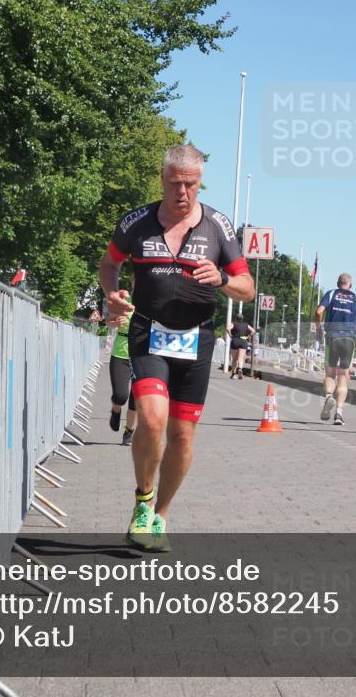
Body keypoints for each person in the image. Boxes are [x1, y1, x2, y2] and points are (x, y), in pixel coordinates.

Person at [99, 144, 254, 551]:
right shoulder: (136, 223)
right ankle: (143, 500)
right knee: (151, 420)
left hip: (197, 338)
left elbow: (248, 288)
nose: (182, 192)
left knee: (182, 434)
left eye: (191, 184)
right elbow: (108, 264)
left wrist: (221, 278)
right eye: (174, 183)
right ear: (162, 179)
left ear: (200, 183)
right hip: (149, 331)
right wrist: (112, 295)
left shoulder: (218, 226)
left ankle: (159, 516)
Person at [315, 273, 356, 426]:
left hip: (332, 337)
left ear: (337, 284)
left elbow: (319, 312)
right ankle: (339, 414)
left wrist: (318, 330)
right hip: (349, 338)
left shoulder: (331, 294)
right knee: (343, 376)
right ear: (350, 285)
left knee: (330, 373)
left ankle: (328, 396)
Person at [108, 307, 139, 446]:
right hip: (121, 353)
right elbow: (108, 321)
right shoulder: (124, 303)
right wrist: (114, 323)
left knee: (136, 399)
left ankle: (129, 431)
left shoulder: (154, 302)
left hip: (143, 355)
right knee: (121, 396)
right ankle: (116, 408)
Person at [226, 313, 254, 379]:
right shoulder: (246, 324)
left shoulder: (233, 323)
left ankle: (233, 373)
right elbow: (253, 331)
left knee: (234, 359)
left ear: (236, 318)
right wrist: (248, 336)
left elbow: (227, 328)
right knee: (241, 358)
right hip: (243, 341)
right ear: (242, 319)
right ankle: (240, 369)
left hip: (235, 340)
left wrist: (230, 335)